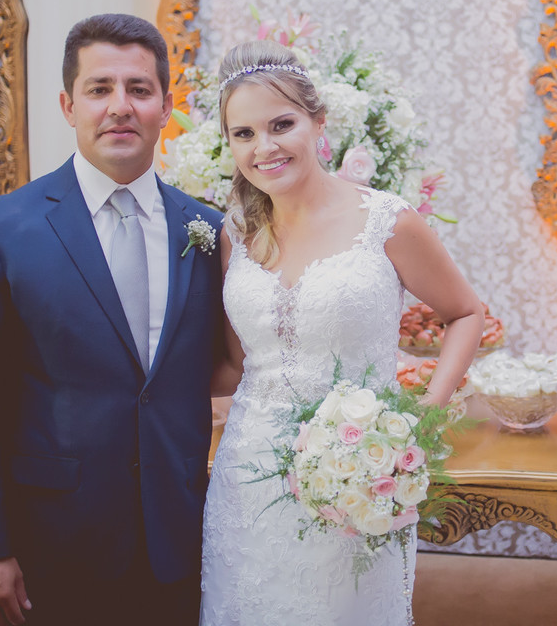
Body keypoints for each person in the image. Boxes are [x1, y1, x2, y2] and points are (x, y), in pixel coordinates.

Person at [0, 14, 224, 625]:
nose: (120, 106)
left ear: (166, 107)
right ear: (69, 105)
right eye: (100, 89)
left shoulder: (207, 229)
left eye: (139, 90)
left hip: (182, 533)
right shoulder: (0, 229)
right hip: (54, 540)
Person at [200, 40, 483, 624]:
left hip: (359, 472)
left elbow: (466, 313)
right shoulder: (233, 235)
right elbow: (235, 363)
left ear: (318, 122)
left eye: (282, 124)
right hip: (246, 481)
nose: (265, 147)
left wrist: (419, 420)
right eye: (244, 134)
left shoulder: (387, 221)